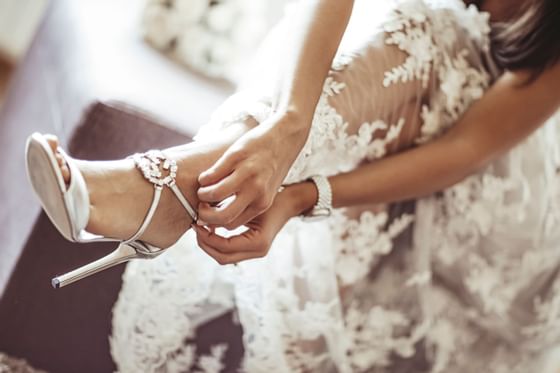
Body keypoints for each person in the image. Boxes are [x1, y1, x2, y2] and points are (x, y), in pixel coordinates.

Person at [25, 0, 560, 371]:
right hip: (403, 122)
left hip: (502, 216)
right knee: (388, 29)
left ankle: (169, 187)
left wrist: (306, 196)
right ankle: (175, 187)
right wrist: (289, 123)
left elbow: (466, 150)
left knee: (430, 36)